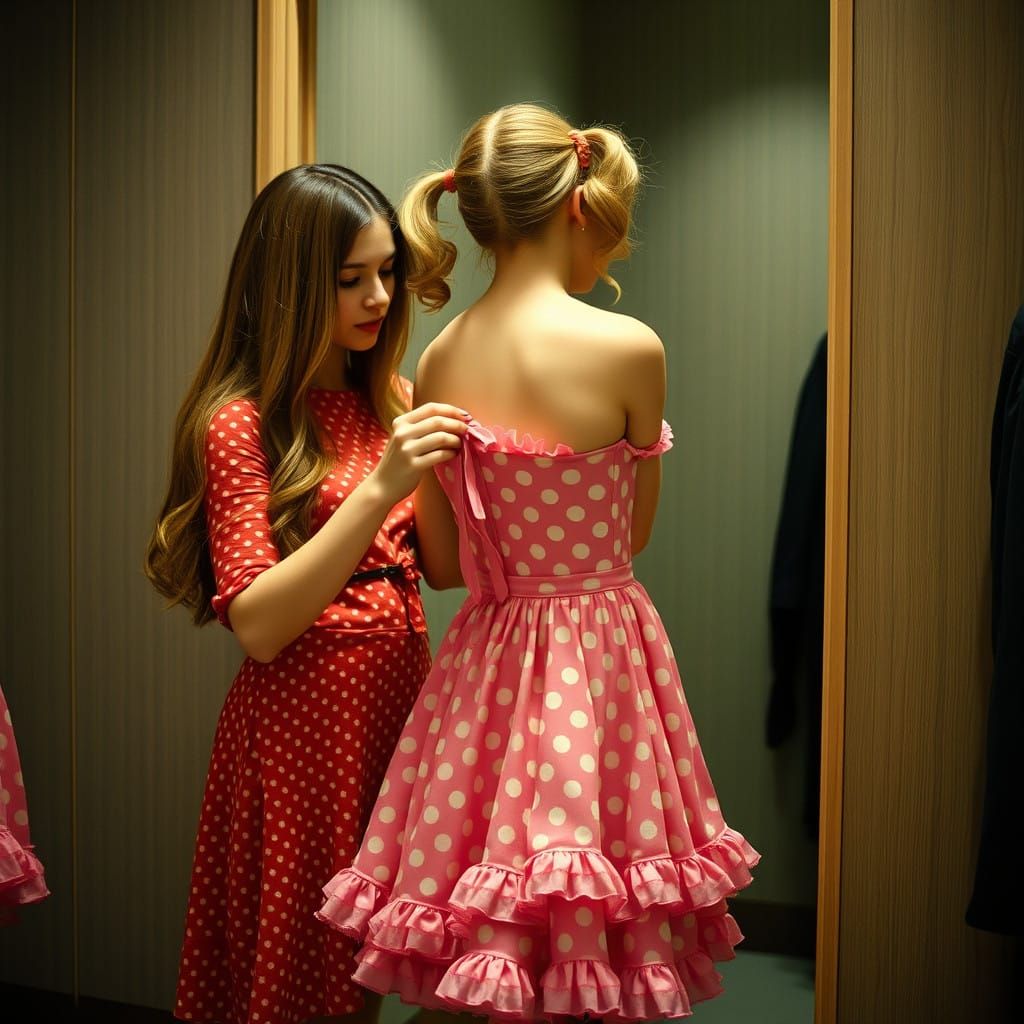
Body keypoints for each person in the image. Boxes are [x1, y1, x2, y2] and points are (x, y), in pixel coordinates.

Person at [317, 104, 760, 1021]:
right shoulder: (631, 350)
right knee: (598, 905)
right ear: (574, 206)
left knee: (485, 907)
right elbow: (630, 538)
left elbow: (443, 563)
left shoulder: (438, 363)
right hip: (604, 658)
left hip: (488, 665)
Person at [145, 164, 468, 1024]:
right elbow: (256, 623)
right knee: (310, 980)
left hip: (400, 716)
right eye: (348, 278)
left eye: (386, 272)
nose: (376, 296)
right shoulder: (240, 419)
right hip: (302, 736)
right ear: (289, 285)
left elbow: (441, 568)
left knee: (415, 962)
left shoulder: (390, 398)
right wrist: (381, 486)